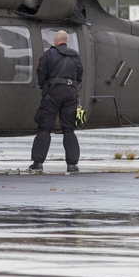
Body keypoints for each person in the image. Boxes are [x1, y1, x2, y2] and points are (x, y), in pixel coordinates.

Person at [29, 30, 83, 173]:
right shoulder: (75, 56)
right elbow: (80, 75)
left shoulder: (49, 54)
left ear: (56, 41)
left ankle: (38, 163)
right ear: (66, 41)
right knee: (69, 129)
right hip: (71, 93)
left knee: (45, 128)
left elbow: (41, 73)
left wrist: (45, 87)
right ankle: (72, 165)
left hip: (53, 94)